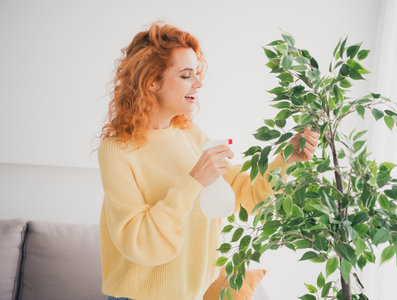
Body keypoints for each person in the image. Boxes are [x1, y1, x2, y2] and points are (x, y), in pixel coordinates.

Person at [96, 20, 319, 300]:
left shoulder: (190, 133)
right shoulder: (117, 150)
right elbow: (139, 242)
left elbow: (243, 191)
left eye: (197, 73)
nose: (199, 84)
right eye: (186, 75)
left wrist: (286, 158)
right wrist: (193, 181)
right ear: (151, 81)